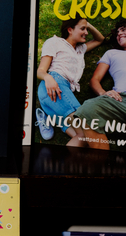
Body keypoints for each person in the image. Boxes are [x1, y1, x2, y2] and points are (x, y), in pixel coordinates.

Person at [75, 19, 126, 153]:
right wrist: (103, 93)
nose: (119, 34)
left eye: (123, 30)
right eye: (117, 32)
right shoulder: (111, 53)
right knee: (87, 110)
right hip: (121, 100)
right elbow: (94, 80)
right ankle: (102, 165)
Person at [35, 14, 104, 145]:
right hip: (55, 85)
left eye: (87, 29)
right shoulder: (55, 42)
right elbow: (40, 71)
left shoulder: (80, 49)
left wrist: (87, 23)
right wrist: (48, 77)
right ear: (70, 29)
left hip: (56, 96)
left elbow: (100, 39)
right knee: (87, 131)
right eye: (83, 28)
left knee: (82, 138)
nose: (86, 32)